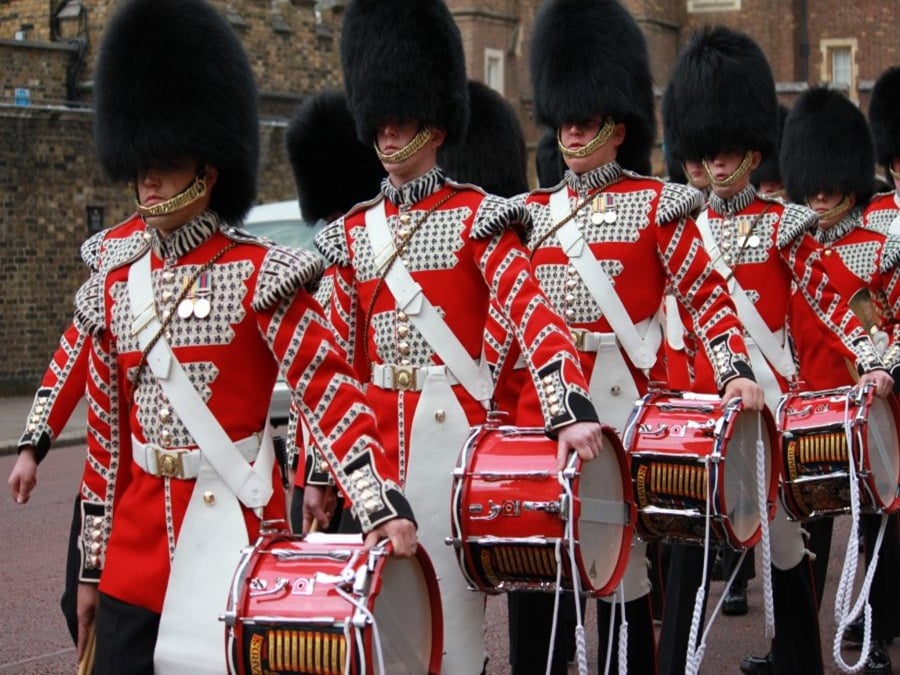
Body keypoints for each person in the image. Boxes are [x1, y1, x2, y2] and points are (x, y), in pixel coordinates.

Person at [73, 1, 417, 672]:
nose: (147, 177)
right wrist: (92, 568)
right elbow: (105, 449)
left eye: (166, 161)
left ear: (208, 166)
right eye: (142, 161)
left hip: (232, 536)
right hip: (134, 561)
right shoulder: (116, 288)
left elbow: (328, 392)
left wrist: (378, 505)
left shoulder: (263, 275)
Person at [302, 1, 604, 672]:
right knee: (379, 627)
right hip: (374, 451)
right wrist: (319, 469)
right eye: (379, 119)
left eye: (400, 119)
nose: (385, 132)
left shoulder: (479, 219)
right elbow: (334, 361)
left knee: (454, 634)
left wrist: (565, 409)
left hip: (451, 432)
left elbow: (534, 316)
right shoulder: (350, 236)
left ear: (433, 127)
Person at [510, 3, 766, 674]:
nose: (570, 128)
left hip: (625, 409)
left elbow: (709, 295)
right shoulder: (527, 217)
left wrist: (736, 367)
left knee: (624, 579)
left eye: (585, 117)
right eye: (563, 116)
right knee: (547, 571)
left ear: (617, 126)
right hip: (551, 408)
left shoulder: (660, 204)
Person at [663, 25, 893, 675]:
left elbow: (832, 304)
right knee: (684, 557)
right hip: (701, 413)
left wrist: (877, 360)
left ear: (750, 146)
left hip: (768, 417)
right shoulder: (679, 227)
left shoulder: (784, 225)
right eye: (706, 148)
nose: (715, 160)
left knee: (789, 550)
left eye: (727, 147)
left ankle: (799, 659)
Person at [780, 84, 900, 675]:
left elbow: (896, 322)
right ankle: (793, 642)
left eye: (831, 182)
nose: (820, 193)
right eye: (814, 182)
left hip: (866, 401)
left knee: (873, 526)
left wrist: (884, 371)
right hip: (809, 408)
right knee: (806, 532)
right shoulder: (791, 249)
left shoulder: (882, 247)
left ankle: (871, 632)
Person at [283, 88, 387, 534]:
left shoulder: (371, 264)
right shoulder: (316, 273)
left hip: (357, 452)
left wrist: (322, 473)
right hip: (309, 460)